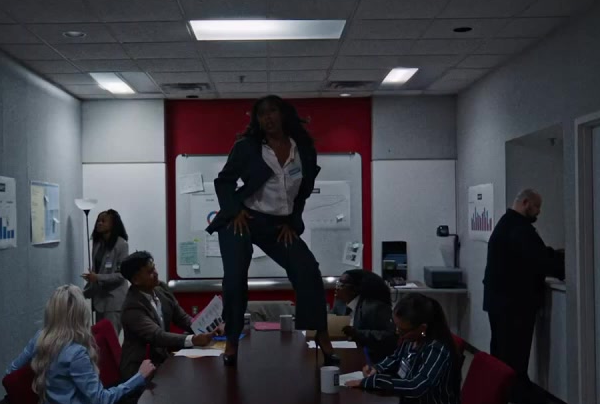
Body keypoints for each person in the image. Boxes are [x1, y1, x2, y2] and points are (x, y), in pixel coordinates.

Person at [207, 95, 339, 367]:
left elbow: (302, 193)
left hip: (278, 224)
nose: (267, 118)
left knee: (307, 270)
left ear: (283, 114)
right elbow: (224, 182)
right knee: (235, 278)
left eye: (272, 111)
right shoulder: (248, 147)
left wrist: (292, 222)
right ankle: (232, 341)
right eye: (261, 114)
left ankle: (321, 335)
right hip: (243, 219)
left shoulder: (302, 149)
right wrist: (235, 211)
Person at [6, 285, 154, 404]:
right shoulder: (76, 353)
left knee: (133, 395)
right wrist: (139, 376)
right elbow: (101, 402)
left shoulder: (40, 338)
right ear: (80, 314)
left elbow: (11, 372)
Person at [345, 293, 463, 404]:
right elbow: (396, 358)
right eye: (396, 328)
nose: (398, 333)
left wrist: (373, 381)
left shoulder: (436, 350)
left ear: (422, 328)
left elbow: (416, 386)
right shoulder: (412, 339)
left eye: (402, 330)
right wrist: (377, 368)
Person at [482, 189, 566, 404]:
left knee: (502, 349)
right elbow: (539, 259)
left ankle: (502, 388)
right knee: (515, 351)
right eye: (537, 206)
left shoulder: (506, 224)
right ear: (526, 203)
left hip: (499, 300)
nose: (539, 212)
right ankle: (516, 391)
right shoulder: (520, 229)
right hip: (514, 302)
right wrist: (563, 264)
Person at [118, 251, 219, 378]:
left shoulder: (161, 289)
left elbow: (182, 318)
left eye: (154, 268)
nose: (156, 273)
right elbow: (157, 336)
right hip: (140, 371)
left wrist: (209, 327)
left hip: (162, 361)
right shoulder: (132, 307)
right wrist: (193, 339)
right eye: (150, 272)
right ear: (136, 280)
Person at [334, 269, 397, 364]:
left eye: (341, 285)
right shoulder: (340, 304)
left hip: (372, 358)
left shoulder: (374, 307)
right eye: (337, 283)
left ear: (354, 290)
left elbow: (390, 336)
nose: (337, 288)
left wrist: (358, 334)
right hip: (347, 353)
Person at [82, 209, 130, 333]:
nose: (99, 223)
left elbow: (122, 275)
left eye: (103, 221)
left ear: (113, 224)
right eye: (98, 221)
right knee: (99, 339)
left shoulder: (121, 244)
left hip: (114, 301)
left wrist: (97, 277)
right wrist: (84, 292)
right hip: (99, 300)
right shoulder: (97, 243)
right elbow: (97, 270)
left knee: (110, 338)